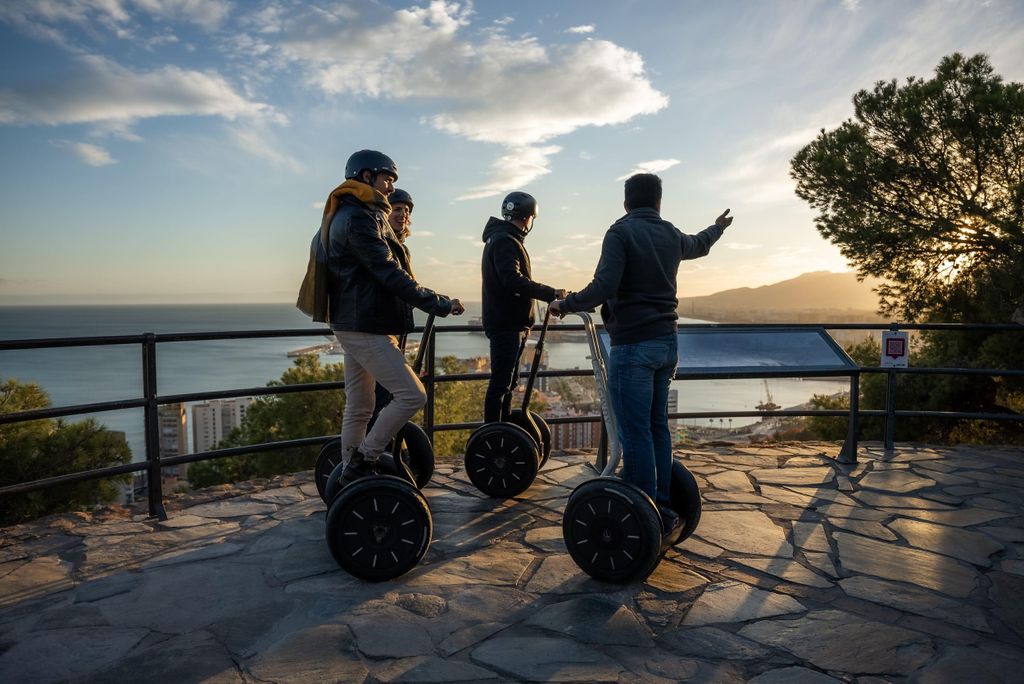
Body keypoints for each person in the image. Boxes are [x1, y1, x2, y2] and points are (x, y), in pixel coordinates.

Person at [550, 173, 733, 532]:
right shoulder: (669, 233)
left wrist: (564, 304)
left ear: (625, 202)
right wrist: (718, 227)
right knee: (656, 427)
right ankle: (662, 503)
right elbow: (699, 244)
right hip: (667, 343)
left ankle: (643, 511)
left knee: (634, 432)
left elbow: (603, 286)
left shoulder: (619, 233)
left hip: (633, 345)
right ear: (659, 202)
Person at [322, 150, 464, 485]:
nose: (390, 187)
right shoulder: (360, 217)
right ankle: (363, 460)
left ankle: (348, 475)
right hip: (367, 326)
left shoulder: (349, 213)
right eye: (387, 179)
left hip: (353, 323)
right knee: (413, 395)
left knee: (360, 405)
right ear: (367, 176)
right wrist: (439, 303)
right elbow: (390, 273)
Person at [480, 191, 566, 423]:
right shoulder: (505, 241)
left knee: (508, 382)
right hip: (506, 324)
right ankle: (493, 434)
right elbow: (512, 279)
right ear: (529, 218)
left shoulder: (503, 238)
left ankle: (503, 428)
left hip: (508, 323)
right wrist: (549, 293)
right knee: (501, 383)